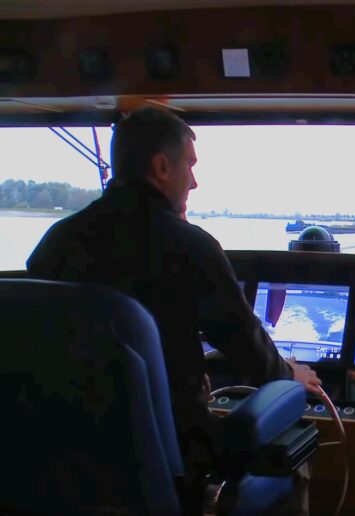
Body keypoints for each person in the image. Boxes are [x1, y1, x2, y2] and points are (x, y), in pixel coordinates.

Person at [26, 108, 320, 513]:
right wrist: (290, 375)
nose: (195, 181)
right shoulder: (189, 246)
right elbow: (248, 349)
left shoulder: (55, 242)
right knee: (293, 457)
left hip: (65, 455)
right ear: (162, 167)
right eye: (191, 166)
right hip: (170, 457)